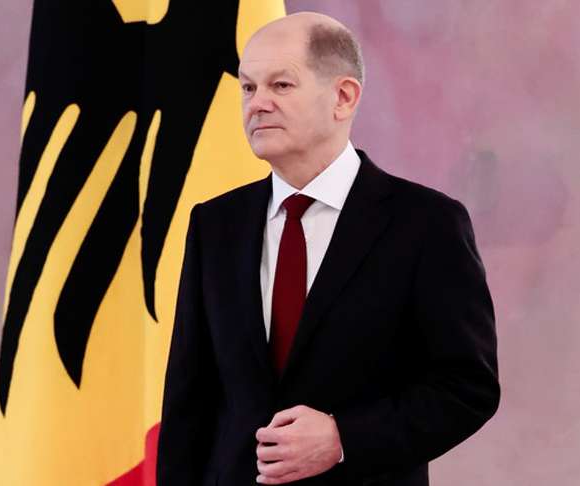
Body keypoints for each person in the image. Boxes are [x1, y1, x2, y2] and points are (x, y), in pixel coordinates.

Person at [156, 11, 499, 486]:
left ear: (343, 97)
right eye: (248, 87)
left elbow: (466, 388)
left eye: (281, 85)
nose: (257, 104)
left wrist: (344, 439)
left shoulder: (426, 225)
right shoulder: (214, 224)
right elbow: (188, 403)